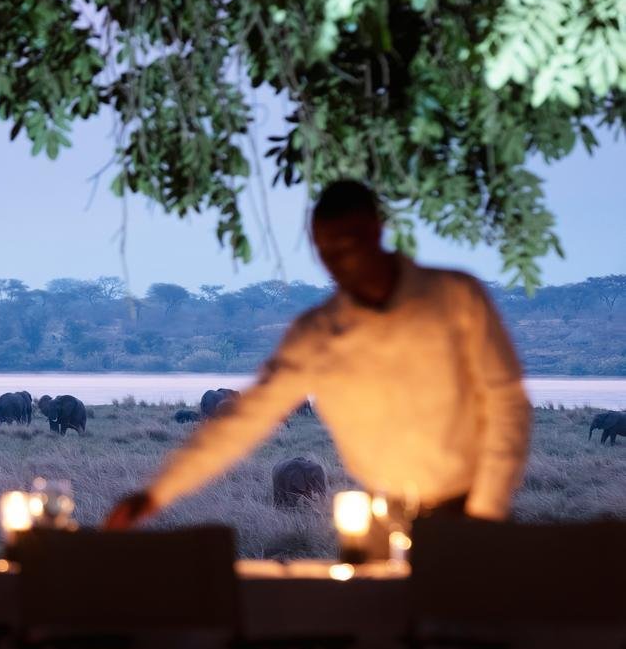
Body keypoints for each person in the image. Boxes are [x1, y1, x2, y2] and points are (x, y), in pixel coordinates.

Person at [104, 180, 531, 529]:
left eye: (347, 244)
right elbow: (245, 420)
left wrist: (486, 510)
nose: (337, 263)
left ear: (377, 230)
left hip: (469, 503)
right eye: (325, 251)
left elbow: (507, 403)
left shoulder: (456, 297)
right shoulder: (316, 333)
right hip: (381, 507)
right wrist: (157, 492)